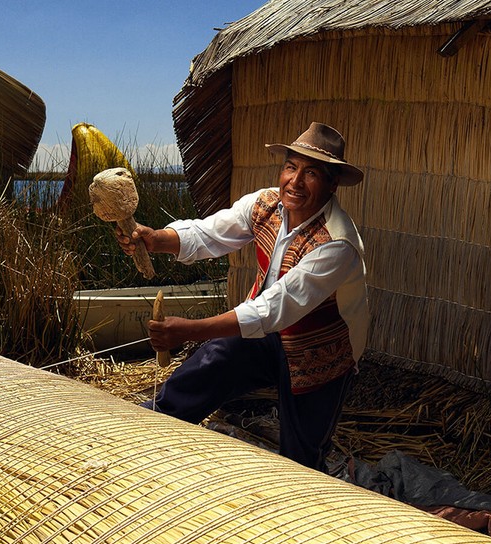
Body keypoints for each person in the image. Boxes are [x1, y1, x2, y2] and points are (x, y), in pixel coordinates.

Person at [117, 122, 368, 472]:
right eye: (291, 167)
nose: (294, 181)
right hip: (265, 334)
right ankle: (147, 430)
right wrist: (155, 239)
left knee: (302, 459)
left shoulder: (336, 244)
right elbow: (211, 233)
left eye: (311, 173)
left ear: (332, 183)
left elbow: (272, 310)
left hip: (320, 352)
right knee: (214, 360)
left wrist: (188, 331)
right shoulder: (267, 205)